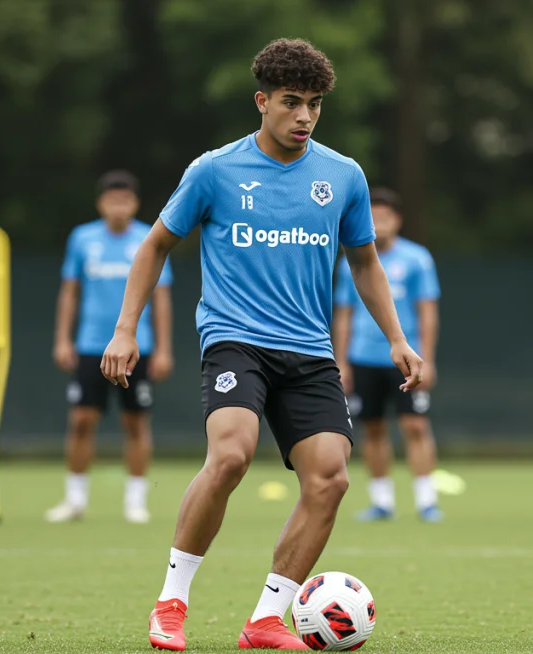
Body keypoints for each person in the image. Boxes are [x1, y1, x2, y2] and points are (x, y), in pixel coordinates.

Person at [99, 38, 424, 651]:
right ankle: (171, 603)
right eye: (291, 102)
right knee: (231, 455)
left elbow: (366, 264)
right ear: (262, 101)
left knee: (329, 479)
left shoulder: (343, 175)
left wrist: (398, 339)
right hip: (235, 339)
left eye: (315, 105)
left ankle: (267, 619)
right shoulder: (215, 170)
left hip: (309, 350)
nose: (304, 117)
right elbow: (154, 247)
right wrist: (125, 328)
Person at [47, 170, 174, 525]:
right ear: (100, 203)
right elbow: (70, 291)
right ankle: (74, 500)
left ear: (135, 203)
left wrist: (163, 349)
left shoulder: (148, 238)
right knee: (82, 420)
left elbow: (161, 297)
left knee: (135, 421)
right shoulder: (82, 239)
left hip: (138, 347)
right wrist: (62, 339)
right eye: (112, 200)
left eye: (126, 200)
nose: (119, 207)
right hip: (91, 345)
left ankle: (135, 502)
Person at [332, 187, 443, 523]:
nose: (378, 222)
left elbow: (427, 312)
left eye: (385, 216)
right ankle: (382, 502)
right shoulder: (351, 260)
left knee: (415, 425)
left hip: (407, 359)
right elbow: (344, 315)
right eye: (373, 217)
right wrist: (341, 362)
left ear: (398, 220)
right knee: (374, 428)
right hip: (363, 357)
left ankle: (427, 501)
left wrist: (428, 357)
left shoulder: (417, 259)